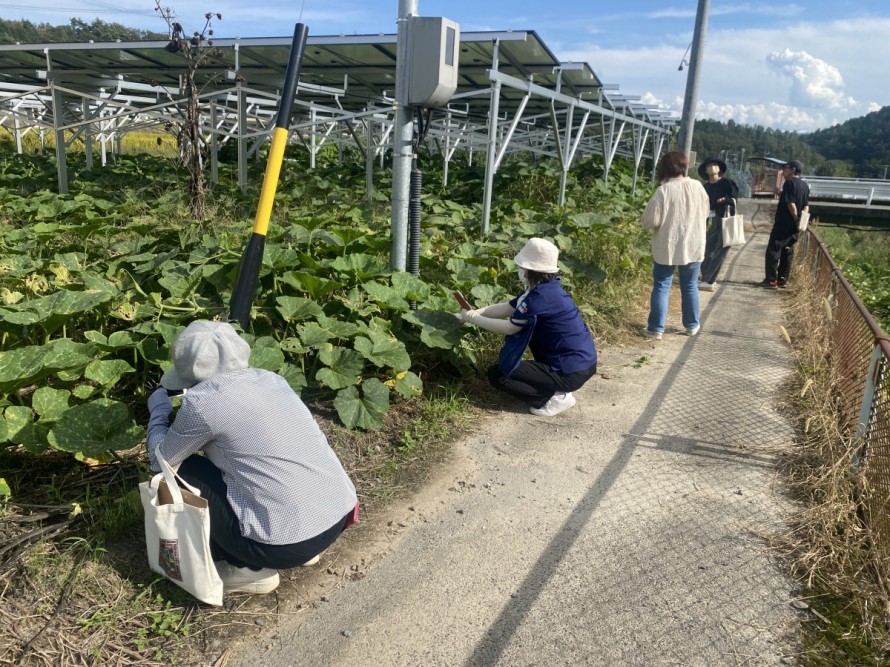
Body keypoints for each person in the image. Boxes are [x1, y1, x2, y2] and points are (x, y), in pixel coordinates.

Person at [146, 320, 358, 596]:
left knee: (184, 469)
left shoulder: (202, 405)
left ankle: (248, 570)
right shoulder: (271, 379)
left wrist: (158, 413)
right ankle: (305, 547)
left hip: (283, 547)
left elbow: (159, 458)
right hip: (337, 515)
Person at [456, 238, 597, 418]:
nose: (520, 270)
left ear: (531, 270)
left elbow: (510, 328)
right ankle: (556, 390)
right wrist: (470, 313)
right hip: (579, 363)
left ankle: (551, 398)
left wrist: (474, 318)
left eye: (522, 266)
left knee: (499, 376)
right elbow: (508, 307)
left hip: (569, 370)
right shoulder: (544, 289)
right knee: (501, 370)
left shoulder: (540, 298)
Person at [640, 151, 710, 340]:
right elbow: (705, 213)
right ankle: (692, 325)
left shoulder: (664, 190)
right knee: (690, 285)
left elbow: (650, 220)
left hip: (667, 244)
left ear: (665, 168)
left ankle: (655, 329)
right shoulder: (698, 187)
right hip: (694, 243)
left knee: (662, 285)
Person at [762, 159, 810, 289]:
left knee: (773, 250)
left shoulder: (789, 183)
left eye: (786, 168)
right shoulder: (805, 186)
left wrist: (795, 217)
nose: (783, 171)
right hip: (795, 227)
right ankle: (783, 280)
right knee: (787, 251)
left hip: (784, 224)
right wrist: (802, 221)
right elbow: (806, 206)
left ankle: (771, 280)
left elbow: (790, 203)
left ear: (793, 169)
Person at [697, 157, 740, 291]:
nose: (712, 167)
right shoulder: (705, 187)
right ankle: (705, 277)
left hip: (725, 218)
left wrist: (725, 200)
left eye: (714, 165)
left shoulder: (727, 183)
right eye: (708, 165)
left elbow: (734, 200)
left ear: (719, 169)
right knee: (707, 248)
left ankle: (710, 280)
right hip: (710, 220)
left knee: (721, 249)